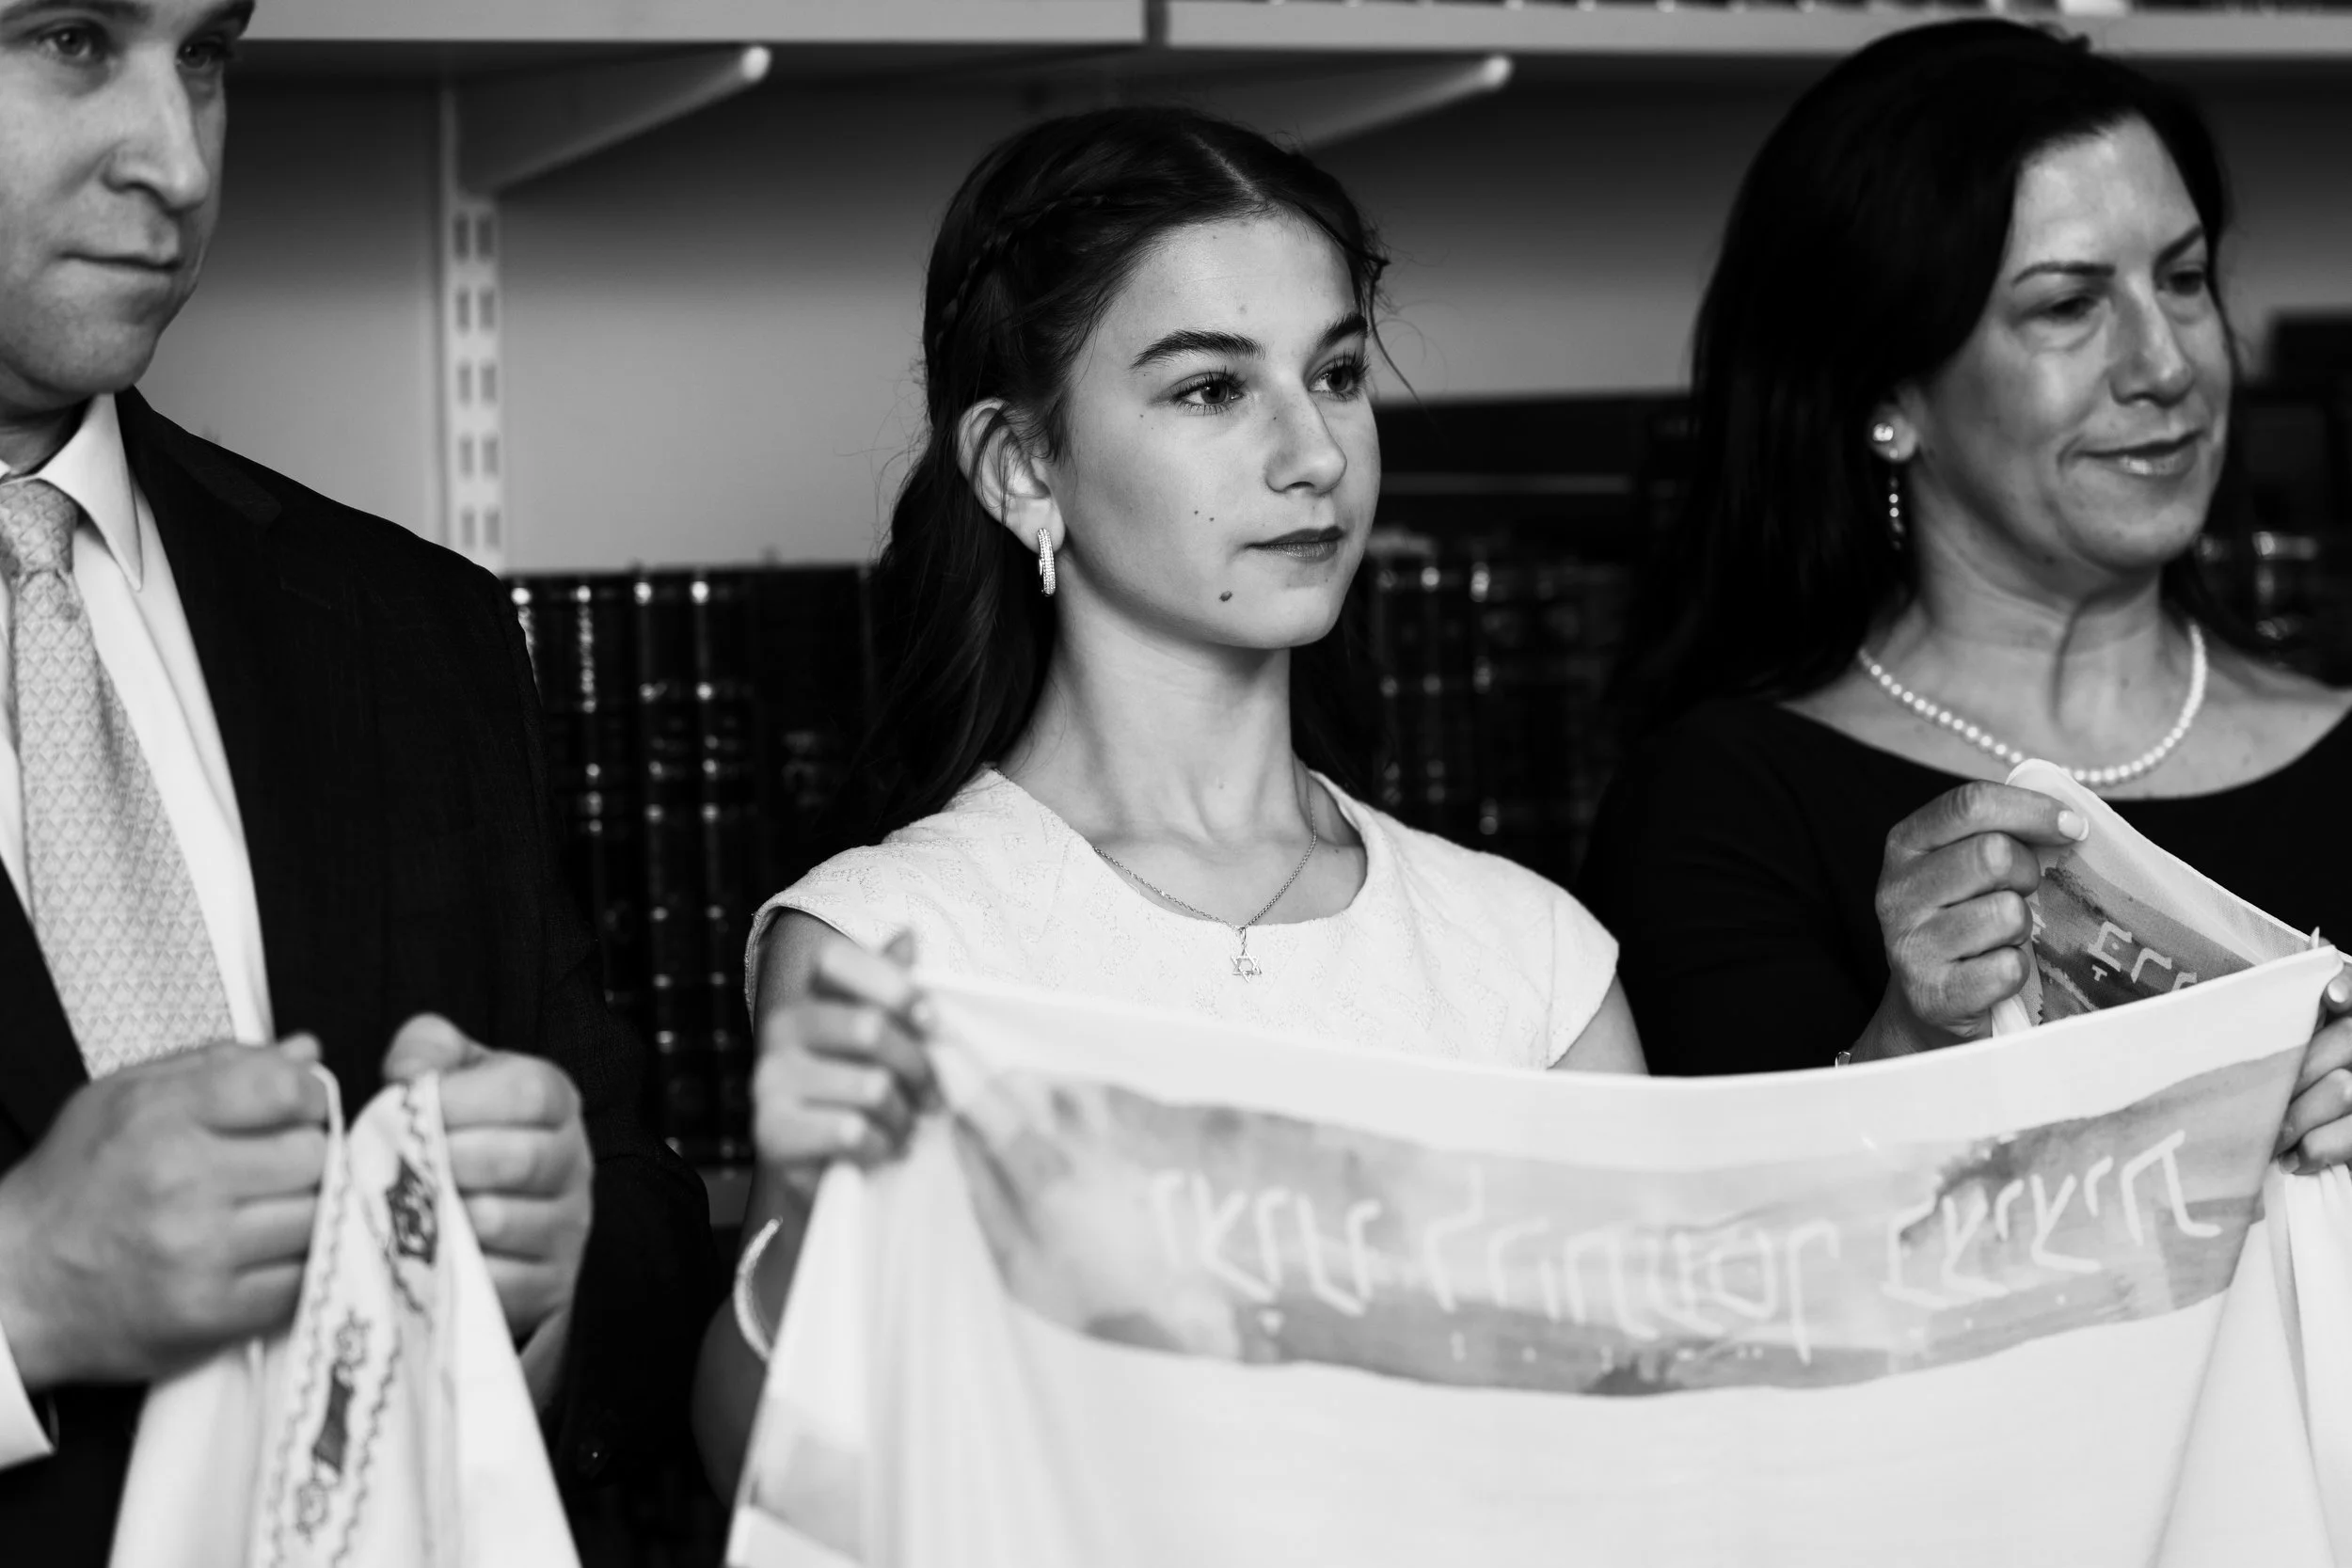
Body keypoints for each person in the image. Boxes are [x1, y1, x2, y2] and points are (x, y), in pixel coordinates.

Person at [691, 104, 1645, 1489]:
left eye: (1332, 373)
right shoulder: (895, 946)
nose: (1311, 453)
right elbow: (783, 1483)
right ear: (1023, 466)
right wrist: (802, 1214)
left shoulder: (1531, 956)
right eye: (1211, 388)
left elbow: (1650, 1454)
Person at [0, 4, 713, 1559]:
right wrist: (18, 1288)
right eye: (67, 41)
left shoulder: (414, 625)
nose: (176, 161)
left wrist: (547, 1264)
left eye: (207, 54)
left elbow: (642, 1202)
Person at [1579, 20, 2352, 1165]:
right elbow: (1733, 1288)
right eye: (2065, 306)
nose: (2168, 363)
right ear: (1886, 397)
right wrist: (1904, 1048)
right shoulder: (1721, 806)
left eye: (2182, 280)